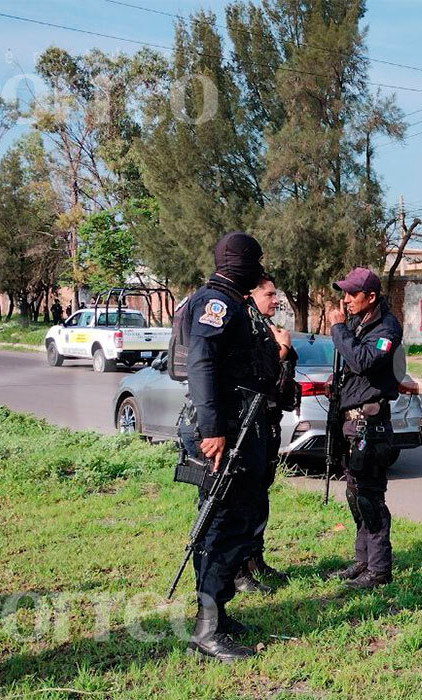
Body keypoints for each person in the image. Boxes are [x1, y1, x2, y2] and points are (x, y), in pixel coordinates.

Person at [176, 231, 278, 661]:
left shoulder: (236, 302)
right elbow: (201, 364)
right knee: (224, 524)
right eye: (254, 261)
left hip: (242, 427)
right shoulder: (214, 304)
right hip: (223, 432)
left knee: (238, 520)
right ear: (239, 263)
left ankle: (217, 613)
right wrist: (214, 429)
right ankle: (207, 629)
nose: (259, 268)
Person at [324, 267, 404, 590]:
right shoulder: (358, 323)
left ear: (370, 297)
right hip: (351, 423)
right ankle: (363, 561)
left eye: (351, 294)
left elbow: (363, 361)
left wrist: (338, 329)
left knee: (371, 498)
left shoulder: (386, 327)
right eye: (343, 293)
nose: (345, 300)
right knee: (355, 494)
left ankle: (380, 569)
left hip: (372, 425)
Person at [232, 274, 298, 595]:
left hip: (267, 423)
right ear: (252, 296)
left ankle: (255, 559)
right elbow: (260, 374)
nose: (276, 300)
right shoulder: (247, 326)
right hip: (247, 426)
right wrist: (282, 350)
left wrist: (286, 349)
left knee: (260, 496)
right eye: (270, 294)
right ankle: (239, 569)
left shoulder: (266, 327)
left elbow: (284, 384)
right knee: (244, 501)